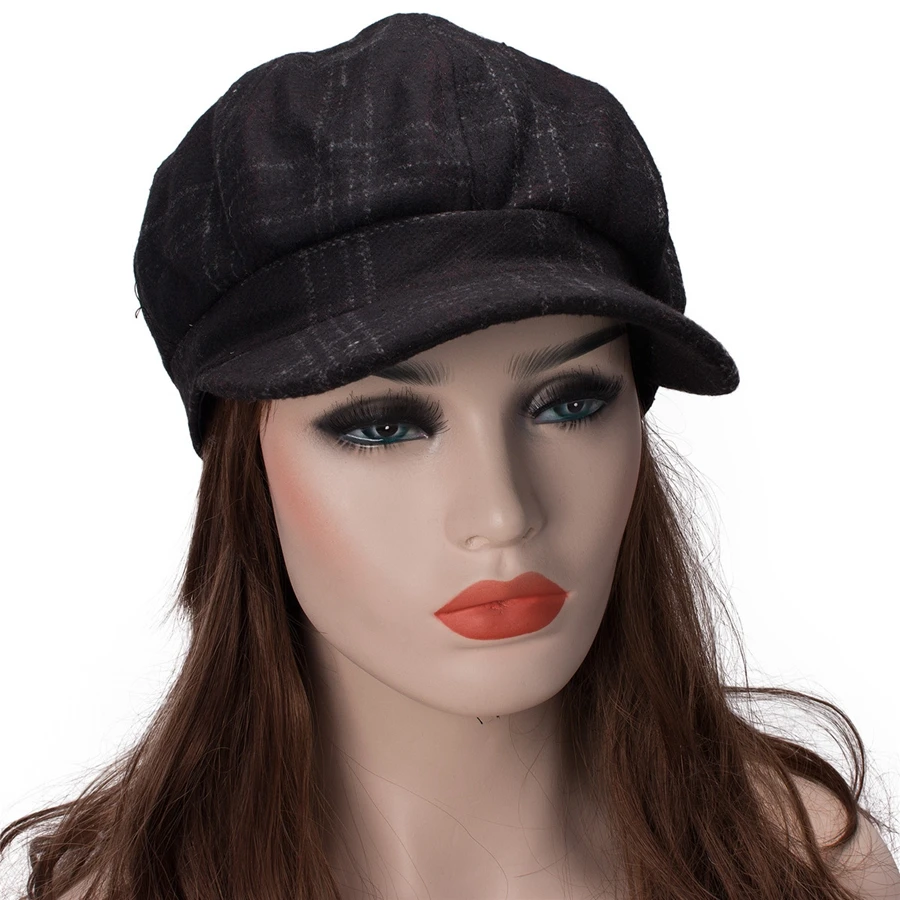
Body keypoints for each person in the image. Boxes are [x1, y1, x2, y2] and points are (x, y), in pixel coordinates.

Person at [2, 13, 898, 900]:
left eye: (570, 403)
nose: (502, 514)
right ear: (247, 470)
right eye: (382, 426)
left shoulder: (808, 869)